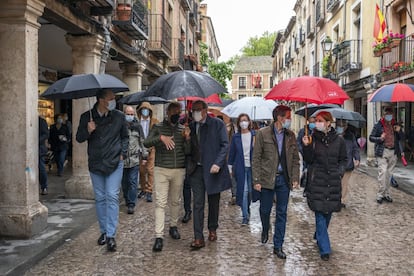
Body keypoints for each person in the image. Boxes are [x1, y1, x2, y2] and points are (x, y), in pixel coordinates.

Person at [76, 89, 128, 252]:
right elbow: (79, 138)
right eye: (110, 98)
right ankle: (104, 231)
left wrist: (122, 153)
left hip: (114, 162)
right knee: (100, 198)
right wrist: (88, 130)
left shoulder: (119, 116)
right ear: (100, 100)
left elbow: (125, 137)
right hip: (96, 163)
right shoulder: (87, 117)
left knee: (112, 196)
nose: (113, 101)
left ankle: (111, 235)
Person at [252, 105, 300, 259]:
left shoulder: (291, 135)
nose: (290, 120)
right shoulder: (262, 133)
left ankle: (278, 245)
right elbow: (256, 157)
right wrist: (256, 179)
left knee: (282, 213)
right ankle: (266, 228)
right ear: (280, 117)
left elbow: (295, 160)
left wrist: (295, 178)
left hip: (283, 179)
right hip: (266, 179)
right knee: (265, 210)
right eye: (288, 116)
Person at [143, 102, 191, 252]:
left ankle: (173, 226)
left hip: (178, 170)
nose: (177, 114)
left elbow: (187, 151)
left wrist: (187, 139)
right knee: (161, 203)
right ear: (168, 112)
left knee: (175, 201)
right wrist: (161, 138)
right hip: (161, 169)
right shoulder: (157, 127)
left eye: (179, 111)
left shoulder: (183, 129)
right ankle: (159, 236)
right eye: (174, 111)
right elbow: (146, 142)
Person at [302, 111, 347, 261]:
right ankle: (325, 249)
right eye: (316, 120)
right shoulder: (312, 138)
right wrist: (307, 147)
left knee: (328, 213)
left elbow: (343, 159)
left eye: (321, 120)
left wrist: (340, 172)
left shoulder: (339, 141)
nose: (317, 123)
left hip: (333, 181)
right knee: (319, 212)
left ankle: (319, 234)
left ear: (328, 123)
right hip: (317, 181)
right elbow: (308, 160)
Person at [187, 100, 231, 250]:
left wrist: (218, 163)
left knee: (213, 201)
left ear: (205, 110)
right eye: (193, 110)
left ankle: (212, 228)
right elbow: (188, 150)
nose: (196, 113)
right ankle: (198, 237)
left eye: (198, 110)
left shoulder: (217, 125)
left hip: (213, 169)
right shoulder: (191, 127)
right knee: (198, 203)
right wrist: (186, 138)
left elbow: (225, 145)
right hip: (196, 170)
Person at [369, 107, 404, 204]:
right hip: (382, 151)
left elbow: (402, 138)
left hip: (393, 152)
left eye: (390, 114)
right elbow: (371, 137)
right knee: (383, 172)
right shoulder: (378, 125)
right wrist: (380, 138)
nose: (389, 116)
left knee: (389, 174)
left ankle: (387, 194)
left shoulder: (395, 125)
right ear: (383, 115)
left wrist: (399, 131)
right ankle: (380, 194)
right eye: (387, 114)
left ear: (392, 115)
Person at [228, 113, 257, 225]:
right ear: (239, 123)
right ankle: (245, 216)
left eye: (245, 120)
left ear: (249, 122)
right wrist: (230, 167)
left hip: (252, 168)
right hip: (240, 167)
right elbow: (232, 153)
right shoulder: (236, 137)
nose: (243, 122)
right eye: (241, 121)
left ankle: (247, 208)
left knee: (250, 191)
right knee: (243, 192)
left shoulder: (254, 135)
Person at [122, 105, 146, 215]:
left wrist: (145, 156)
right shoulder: (120, 126)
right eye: (128, 114)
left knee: (132, 182)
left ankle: (131, 203)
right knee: (124, 182)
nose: (130, 116)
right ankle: (127, 199)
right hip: (122, 159)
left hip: (134, 159)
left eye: (131, 114)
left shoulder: (138, 127)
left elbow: (143, 142)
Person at [137, 102, 159, 202]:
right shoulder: (137, 122)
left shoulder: (155, 122)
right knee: (142, 171)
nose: (145, 111)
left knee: (150, 170)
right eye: (143, 109)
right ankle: (143, 189)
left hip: (151, 148)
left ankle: (149, 190)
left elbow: (158, 135)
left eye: (147, 109)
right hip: (140, 149)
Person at [336, 119, 360, 208]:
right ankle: (335, 198)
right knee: (336, 183)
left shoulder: (350, 136)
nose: (341, 127)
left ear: (346, 127)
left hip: (347, 163)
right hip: (335, 164)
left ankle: (342, 200)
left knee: (344, 183)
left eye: (343, 125)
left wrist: (357, 158)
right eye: (339, 125)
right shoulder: (333, 135)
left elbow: (355, 148)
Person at [296, 116, 316, 191]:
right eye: (311, 122)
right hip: (305, 155)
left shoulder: (317, 131)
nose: (312, 123)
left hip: (314, 155)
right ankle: (305, 186)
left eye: (314, 122)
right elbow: (298, 142)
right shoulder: (303, 131)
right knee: (305, 170)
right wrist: (303, 149)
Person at [39, 116, 49, 195]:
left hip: (39, 148)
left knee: (41, 168)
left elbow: (45, 134)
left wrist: (36, 140)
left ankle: (44, 187)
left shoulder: (41, 121)